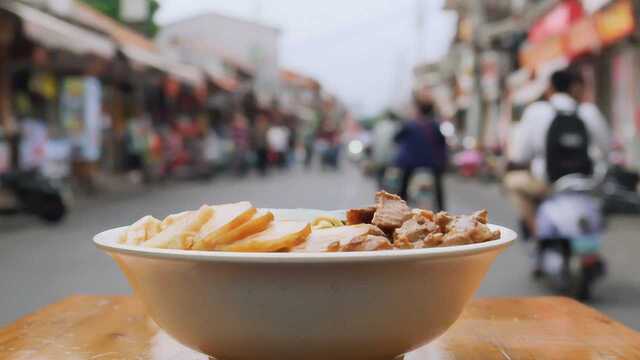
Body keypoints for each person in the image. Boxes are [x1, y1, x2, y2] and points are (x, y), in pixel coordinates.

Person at [505, 70, 610, 236]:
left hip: (548, 185)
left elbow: (520, 155)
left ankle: (536, 231)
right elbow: (606, 150)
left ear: (550, 88)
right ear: (576, 88)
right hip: (586, 183)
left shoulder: (536, 111)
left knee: (513, 182)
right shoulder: (589, 112)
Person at [394, 96, 447, 211]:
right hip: (431, 162)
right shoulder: (434, 125)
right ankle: (441, 210)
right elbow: (442, 143)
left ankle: (399, 208)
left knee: (403, 185)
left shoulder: (410, 125)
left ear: (418, 110)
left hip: (411, 162)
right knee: (438, 187)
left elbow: (396, 138)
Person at [371, 110, 401, 189]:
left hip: (379, 156)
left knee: (380, 175)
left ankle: (381, 189)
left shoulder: (378, 126)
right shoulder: (396, 126)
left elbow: (374, 141)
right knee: (391, 175)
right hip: (392, 157)